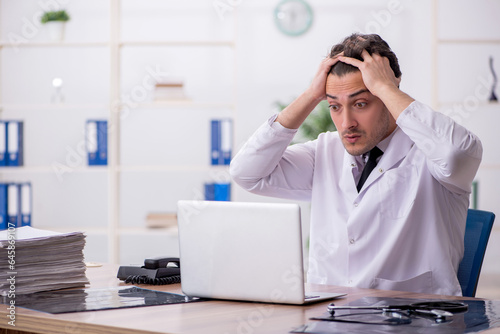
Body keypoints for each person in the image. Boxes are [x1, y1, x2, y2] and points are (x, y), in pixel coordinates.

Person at [229, 33, 482, 296]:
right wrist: (310, 96)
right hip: (330, 317)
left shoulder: (431, 155)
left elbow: (456, 154)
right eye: (334, 107)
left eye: (360, 103)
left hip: (414, 319)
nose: (346, 122)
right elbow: (246, 173)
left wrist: (386, 88)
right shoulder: (325, 152)